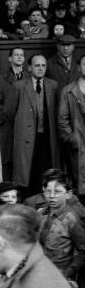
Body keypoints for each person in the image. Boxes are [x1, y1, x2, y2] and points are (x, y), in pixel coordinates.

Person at [6, 54, 61, 194]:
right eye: (37, 65)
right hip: (27, 137)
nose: (41, 68)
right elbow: (10, 111)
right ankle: (28, 198)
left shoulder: (53, 85)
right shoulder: (19, 86)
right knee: (28, 170)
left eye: (43, 65)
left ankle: (46, 197)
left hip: (48, 136)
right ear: (29, 68)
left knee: (47, 168)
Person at [37, 171, 85, 280]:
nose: (52, 196)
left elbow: (83, 251)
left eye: (57, 191)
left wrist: (67, 272)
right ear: (43, 191)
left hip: (59, 277)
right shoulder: (40, 214)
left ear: (68, 194)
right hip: (39, 274)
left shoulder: (71, 219)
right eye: (48, 191)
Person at [0, 48, 26, 180]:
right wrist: (4, 119)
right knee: (7, 159)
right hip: (8, 125)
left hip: (26, 125)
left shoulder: (30, 77)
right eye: (16, 55)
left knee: (24, 158)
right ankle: (8, 190)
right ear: (10, 58)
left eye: (21, 55)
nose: (19, 57)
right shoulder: (0, 80)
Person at [58, 54, 85, 199]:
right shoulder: (68, 91)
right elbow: (62, 119)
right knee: (78, 180)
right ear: (79, 67)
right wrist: (71, 137)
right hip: (78, 143)